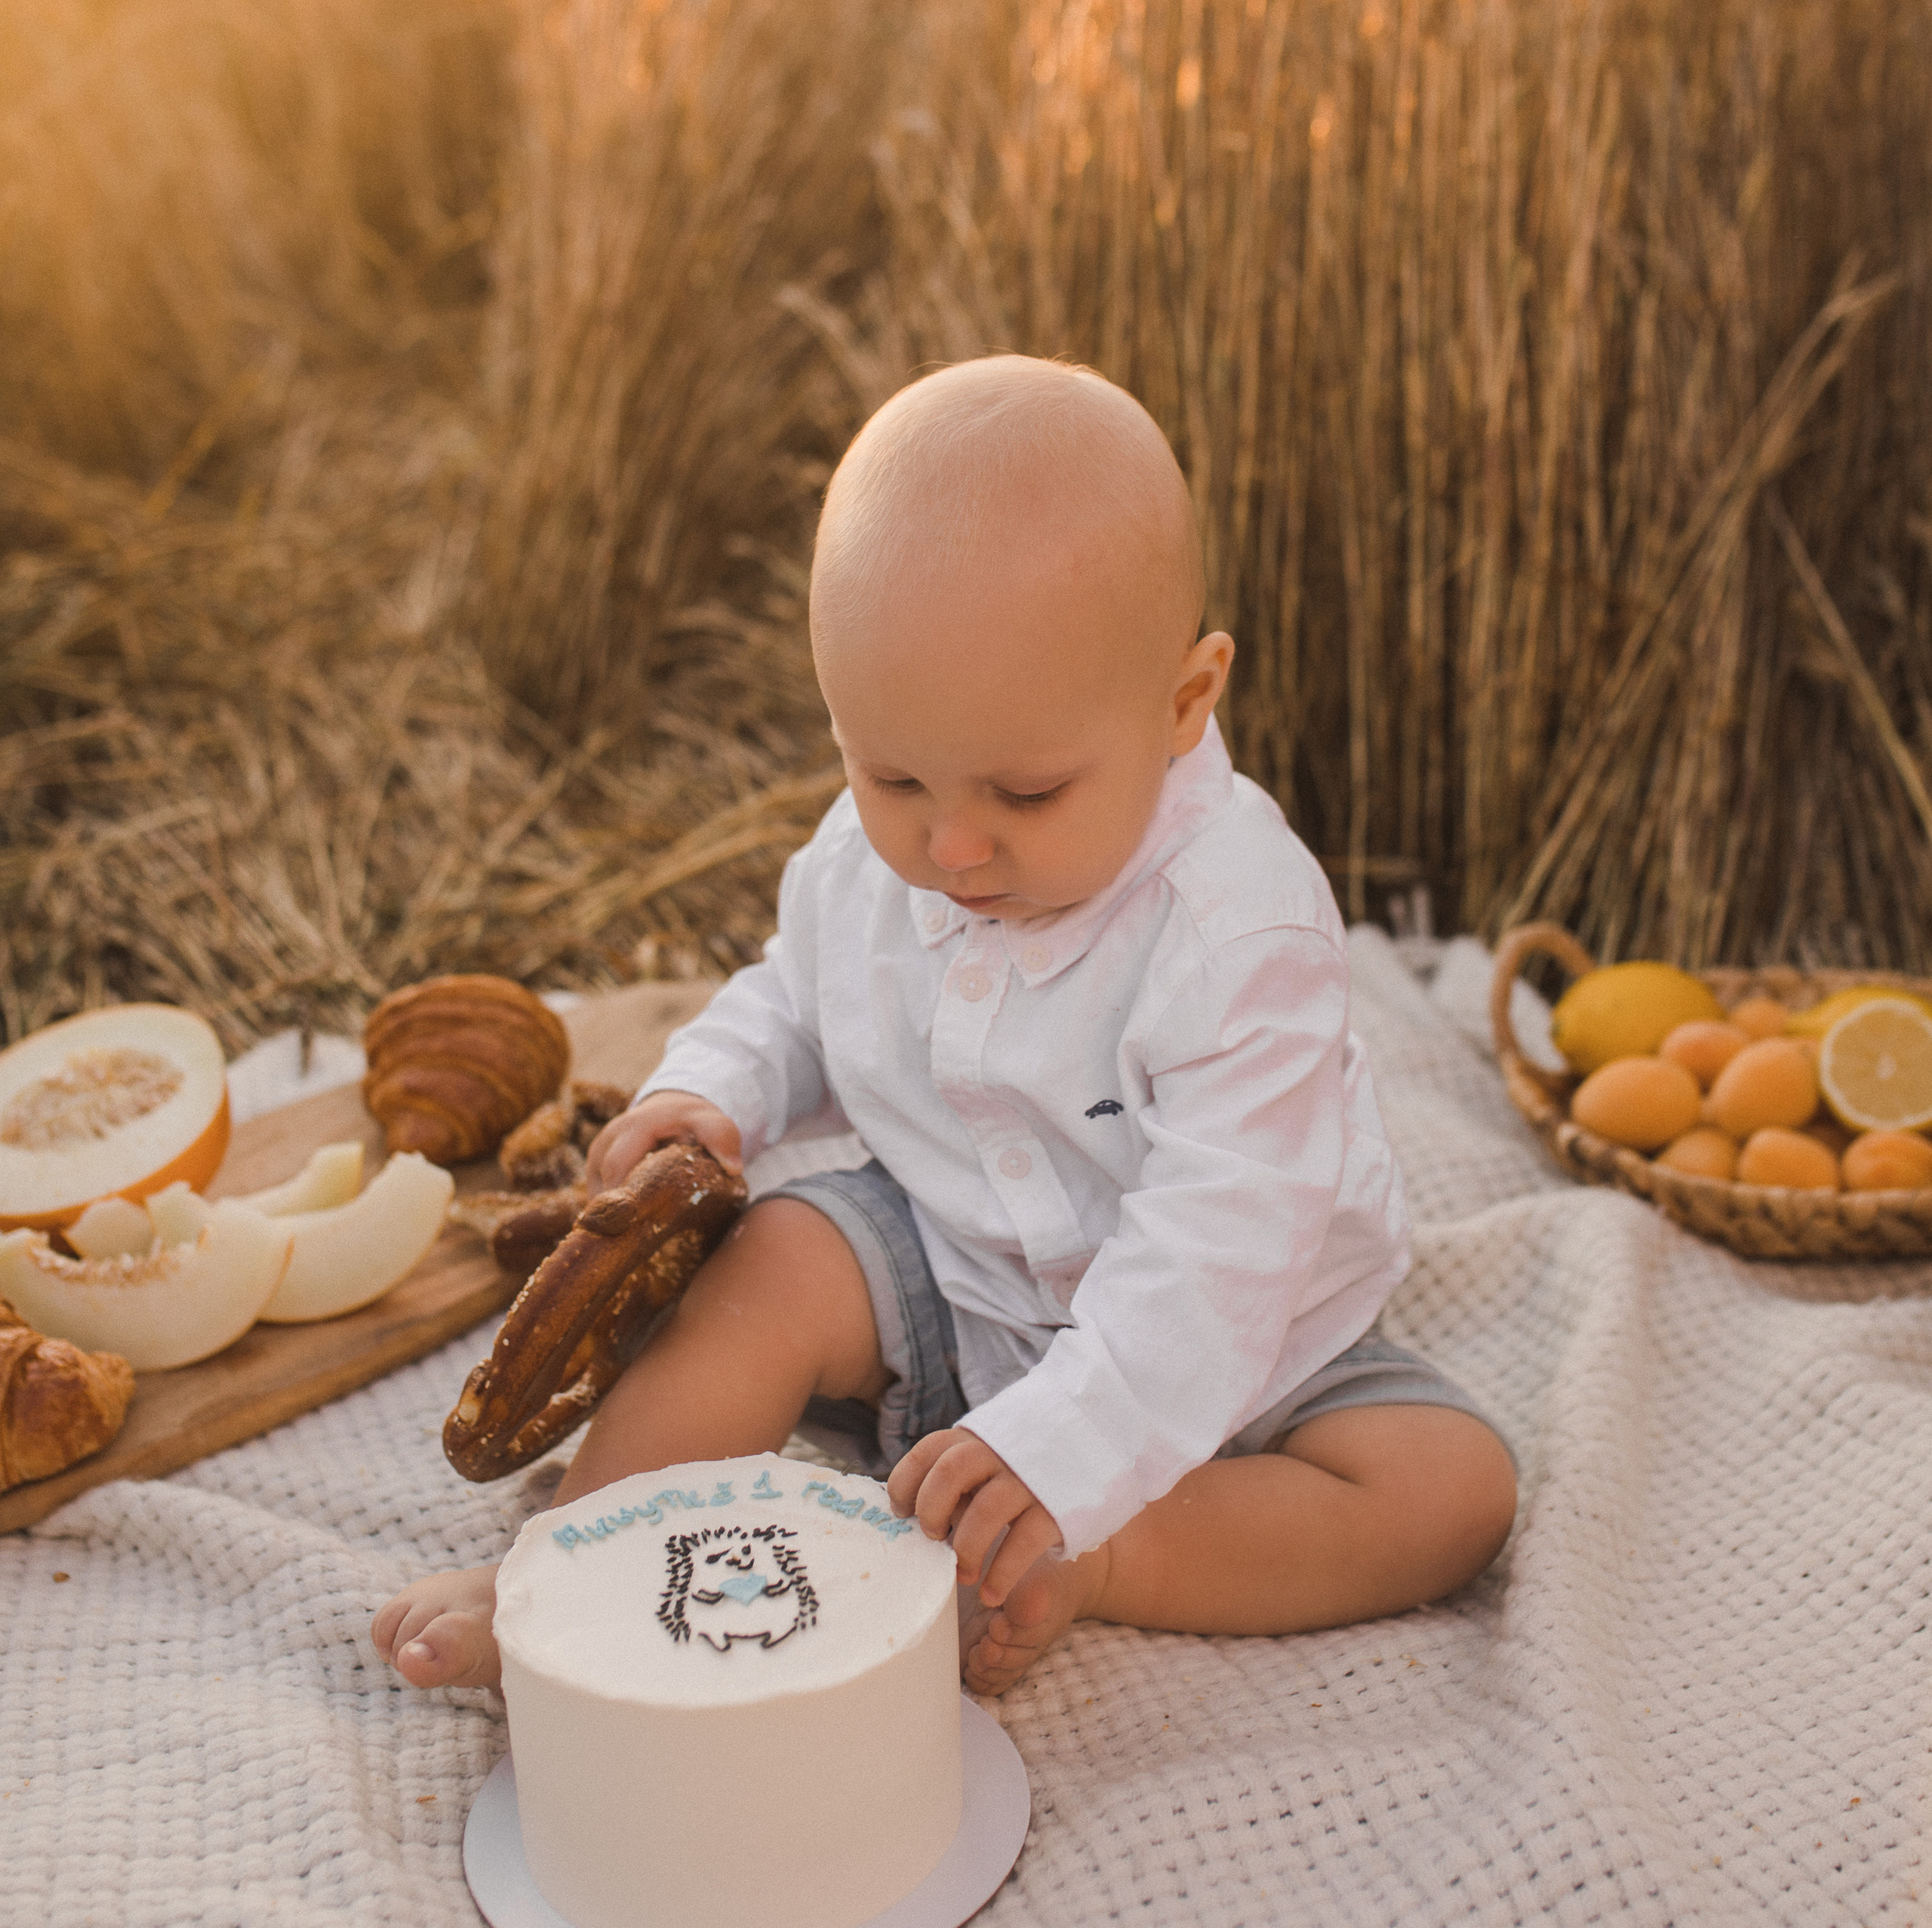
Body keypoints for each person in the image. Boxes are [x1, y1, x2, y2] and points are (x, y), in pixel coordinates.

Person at [374, 358, 1515, 1701]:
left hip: (1245, 1353)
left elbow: (1228, 1238)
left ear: (1184, 702)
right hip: (951, 1273)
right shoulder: (878, 859)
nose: (953, 844)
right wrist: (714, 1093)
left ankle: (1106, 1554)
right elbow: (796, 992)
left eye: (1026, 790)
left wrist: (1069, 1451)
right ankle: (561, 1577)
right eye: (891, 774)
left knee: (1450, 1489)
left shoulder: (1239, 933)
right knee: (781, 1253)